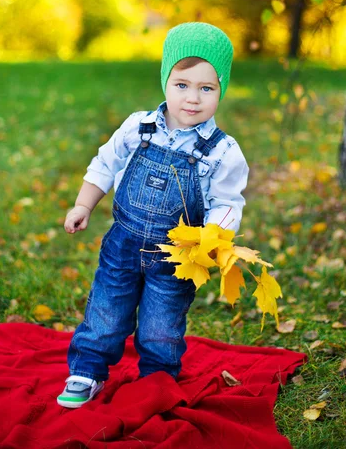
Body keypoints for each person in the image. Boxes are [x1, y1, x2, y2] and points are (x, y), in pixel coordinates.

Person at [57, 22, 249, 408]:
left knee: (162, 325)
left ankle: (157, 380)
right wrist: (83, 204)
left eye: (206, 88)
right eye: (182, 85)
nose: (192, 98)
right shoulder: (138, 127)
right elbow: (104, 165)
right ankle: (87, 370)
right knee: (107, 308)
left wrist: (212, 237)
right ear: (165, 80)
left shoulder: (223, 152)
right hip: (123, 244)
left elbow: (228, 203)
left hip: (177, 256)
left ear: (220, 90)